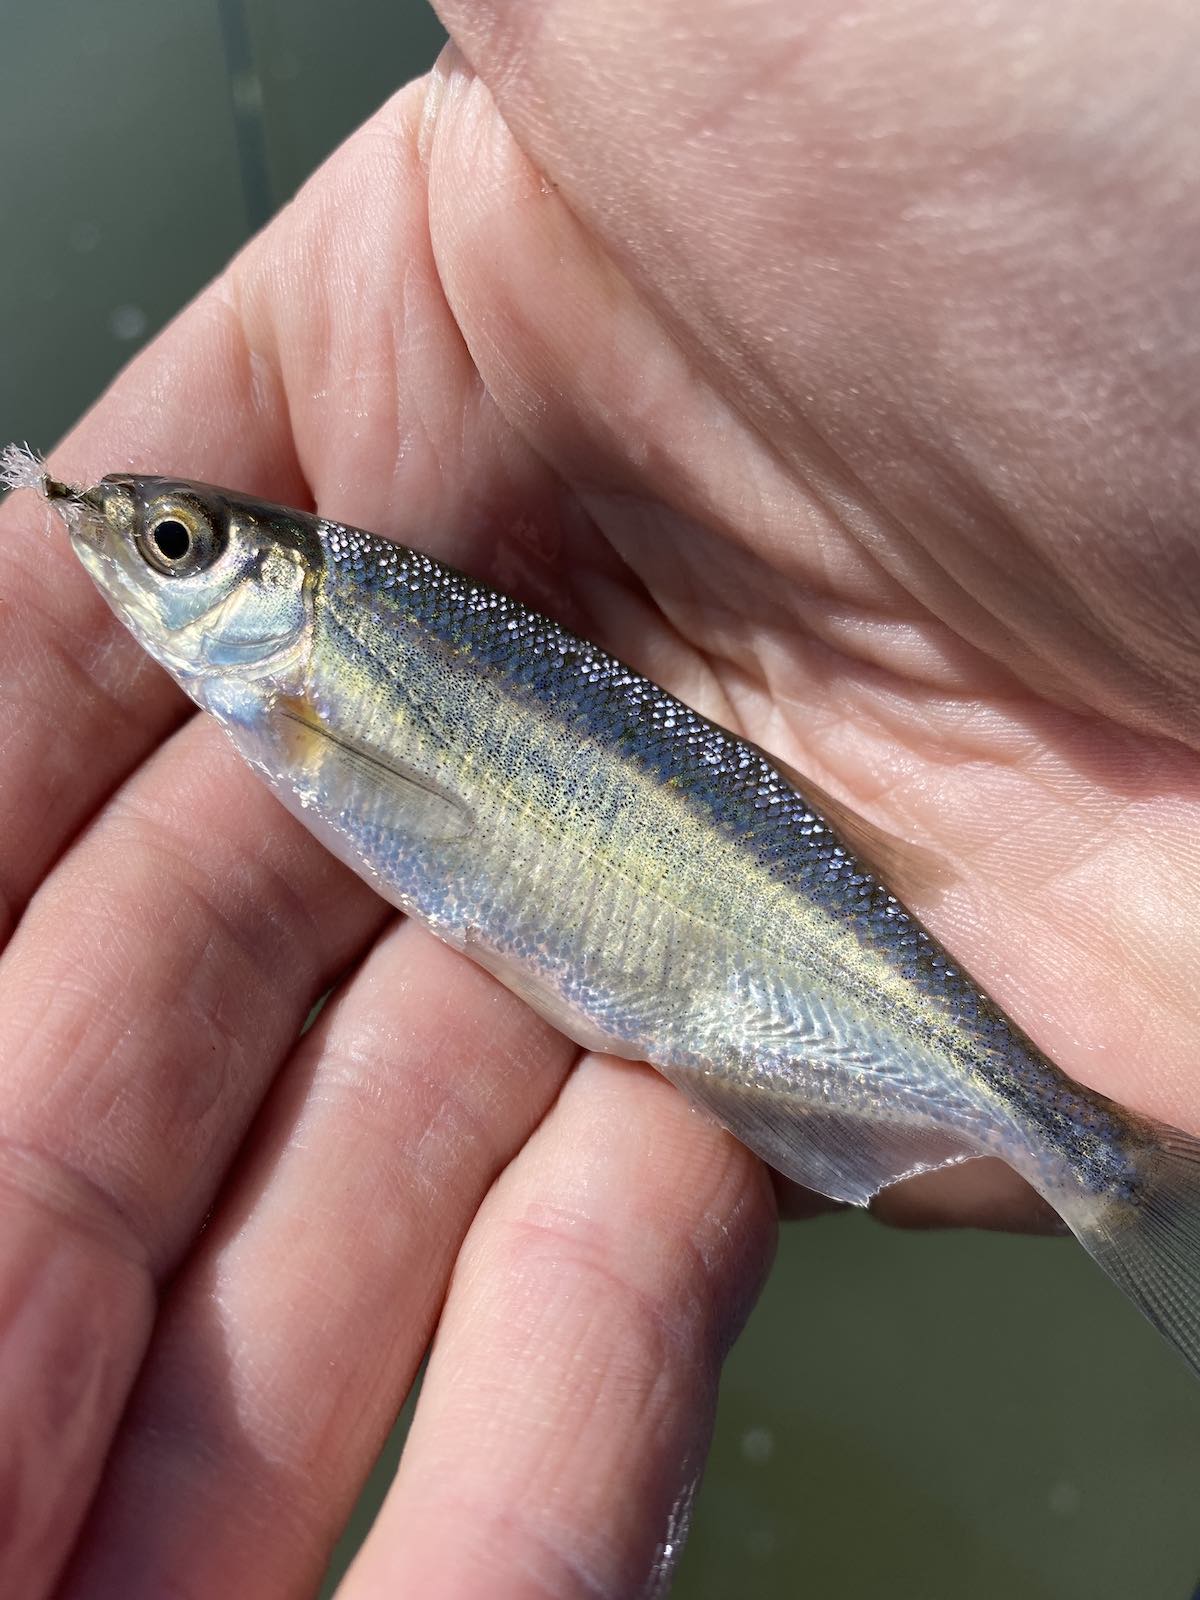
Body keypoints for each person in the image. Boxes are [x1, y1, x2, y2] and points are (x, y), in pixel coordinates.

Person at [4, 2, 1200, 1594]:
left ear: (281, 604)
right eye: (174, 543)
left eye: (182, 552)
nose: (143, 556)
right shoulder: (287, 684)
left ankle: (1115, 1168)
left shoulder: (294, 680)